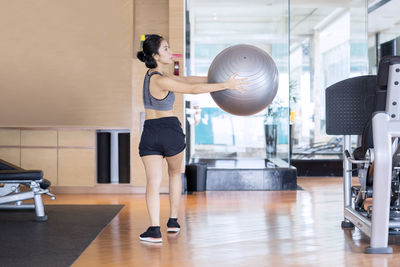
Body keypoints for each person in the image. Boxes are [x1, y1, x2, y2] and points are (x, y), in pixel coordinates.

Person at [136, 34, 247, 243]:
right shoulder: (161, 79)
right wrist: (226, 86)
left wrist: (220, 79)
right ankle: (173, 221)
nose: (171, 52)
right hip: (169, 131)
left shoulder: (154, 76)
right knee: (175, 174)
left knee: (153, 182)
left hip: (150, 132)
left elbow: (188, 80)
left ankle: (154, 230)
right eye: (166, 49)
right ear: (155, 55)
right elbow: (192, 89)